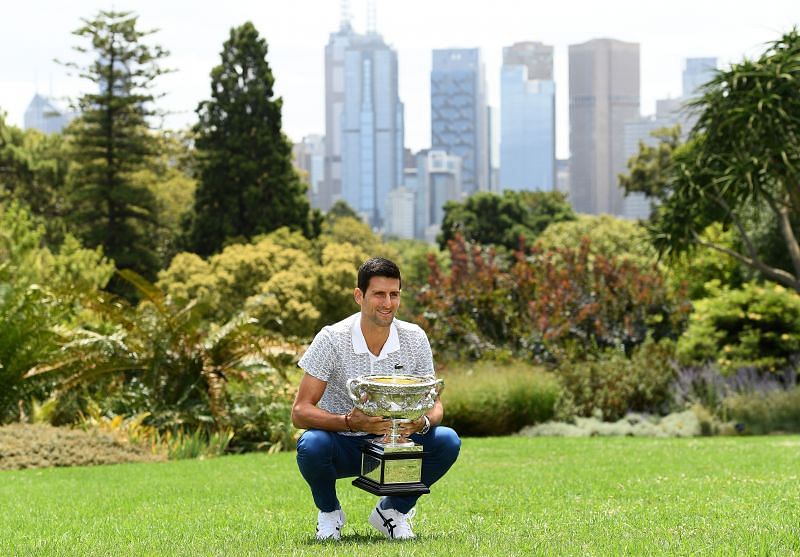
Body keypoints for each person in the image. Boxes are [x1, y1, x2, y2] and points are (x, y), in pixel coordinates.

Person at [292, 257, 461, 541]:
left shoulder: (415, 338)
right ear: (359, 296)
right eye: (379, 294)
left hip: (397, 444)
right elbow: (300, 412)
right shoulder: (332, 338)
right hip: (344, 444)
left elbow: (435, 402)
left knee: (447, 440)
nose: (388, 303)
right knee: (311, 445)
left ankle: (392, 512)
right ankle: (330, 513)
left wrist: (421, 423)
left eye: (394, 294)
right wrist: (348, 422)